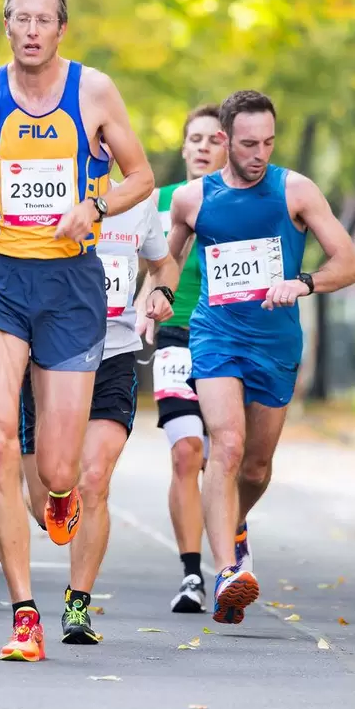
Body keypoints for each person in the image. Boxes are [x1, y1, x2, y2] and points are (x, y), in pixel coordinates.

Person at [0, 0, 155, 661]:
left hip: (70, 285)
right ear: (6, 26)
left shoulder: (94, 91)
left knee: (59, 471)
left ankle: (59, 494)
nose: (31, 30)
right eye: (19, 18)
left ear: (61, 29)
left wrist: (95, 205)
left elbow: (142, 176)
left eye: (43, 20)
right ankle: (24, 614)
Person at [168, 89, 355, 625]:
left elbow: (348, 261)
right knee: (226, 445)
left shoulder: (295, 190)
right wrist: (156, 295)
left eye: (268, 143)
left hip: (276, 344)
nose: (260, 154)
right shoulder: (193, 198)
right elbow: (168, 259)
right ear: (225, 139)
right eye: (249, 144)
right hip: (216, 334)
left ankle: (233, 523)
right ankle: (228, 573)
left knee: (255, 468)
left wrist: (304, 282)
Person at [20, 166, 180, 644]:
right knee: (46, 504)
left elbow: (164, 264)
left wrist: (161, 292)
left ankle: (78, 604)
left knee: (94, 479)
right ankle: (55, 493)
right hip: (51, 359)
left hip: (114, 354)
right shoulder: (44, 192)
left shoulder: (139, 201)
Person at [135, 104, 226, 614]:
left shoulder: (242, 203)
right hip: (176, 334)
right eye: (196, 139)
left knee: (226, 456)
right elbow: (142, 262)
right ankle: (193, 574)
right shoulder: (160, 200)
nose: (204, 147)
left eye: (215, 139)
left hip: (229, 339)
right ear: (185, 146)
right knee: (187, 452)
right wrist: (141, 308)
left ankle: (232, 548)